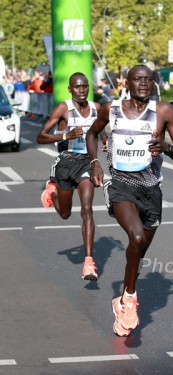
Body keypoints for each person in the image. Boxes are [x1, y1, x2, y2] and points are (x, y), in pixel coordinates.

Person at [86, 64, 173, 336]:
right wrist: (96, 162)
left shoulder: (164, 111)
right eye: (137, 79)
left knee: (139, 252)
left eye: (148, 79)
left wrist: (167, 147)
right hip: (122, 186)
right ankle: (130, 298)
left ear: (153, 83)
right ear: (127, 82)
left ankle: (121, 301)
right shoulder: (111, 109)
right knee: (136, 238)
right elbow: (92, 133)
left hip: (151, 190)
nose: (143, 83)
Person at [37, 72, 101, 281]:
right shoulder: (63, 108)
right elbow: (41, 136)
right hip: (65, 163)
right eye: (77, 87)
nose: (82, 90)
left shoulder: (96, 108)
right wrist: (66, 135)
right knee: (65, 214)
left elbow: (99, 131)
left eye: (85, 87)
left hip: (86, 162)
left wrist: (107, 139)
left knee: (87, 209)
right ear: (70, 89)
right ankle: (52, 191)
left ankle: (89, 263)